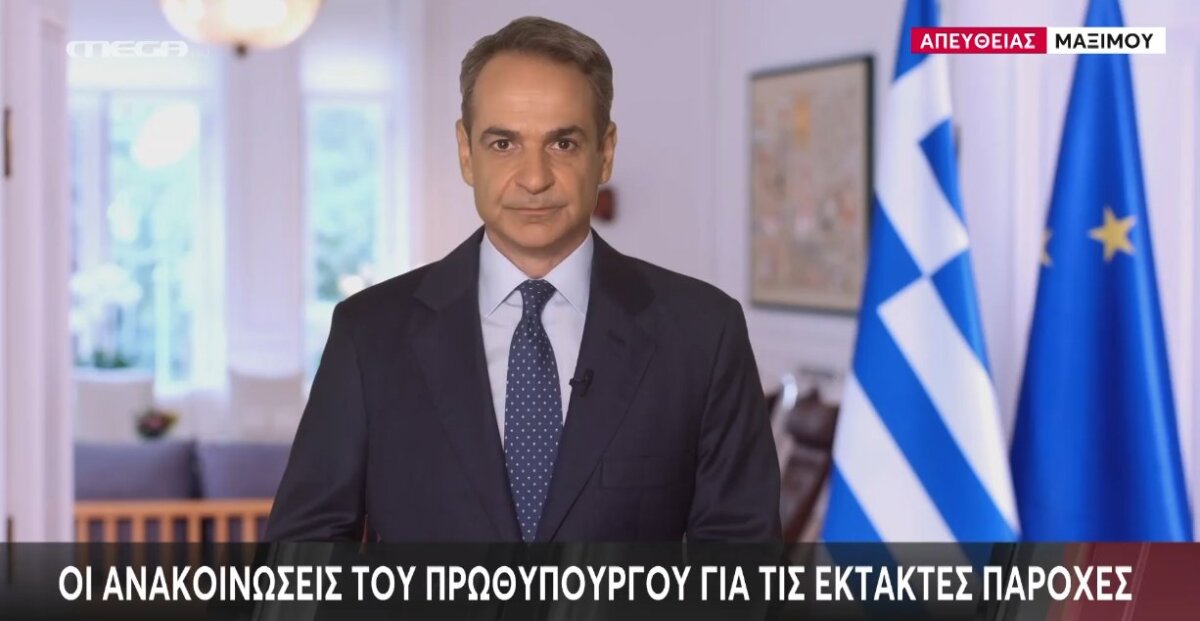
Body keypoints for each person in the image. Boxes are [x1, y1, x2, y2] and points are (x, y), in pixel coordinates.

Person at [265, 16, 780, 542]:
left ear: (605, 153)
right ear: (466, 152)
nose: (534, 179)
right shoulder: (369, 333)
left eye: (563, 144)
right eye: (503, 144)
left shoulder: (703, 334)